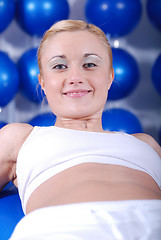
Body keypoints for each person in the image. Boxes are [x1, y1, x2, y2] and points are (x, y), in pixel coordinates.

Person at [0, 19, 161, 240]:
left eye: (90, 64)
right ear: (43, 82)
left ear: (110, 77)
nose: (75, 77)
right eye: (59, 66)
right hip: (64, 230)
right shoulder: (19, 138)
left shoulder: (146, 143)